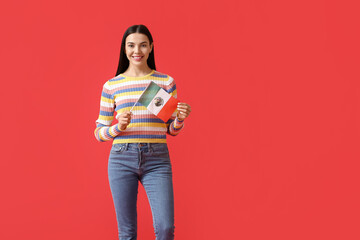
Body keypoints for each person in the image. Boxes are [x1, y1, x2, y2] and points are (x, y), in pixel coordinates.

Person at [94, 24, 191, 240]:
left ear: (151, 48)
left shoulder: (165, 82)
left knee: (166, 228)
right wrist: (118, 127)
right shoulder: (112, 85)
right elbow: (99, 132)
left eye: (142, 45)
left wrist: (179, 120)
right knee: (127, 233)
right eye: (131, 46)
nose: (136, 51)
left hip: (157, 158)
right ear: (124, 48)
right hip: (121, 158)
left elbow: (171, 130)